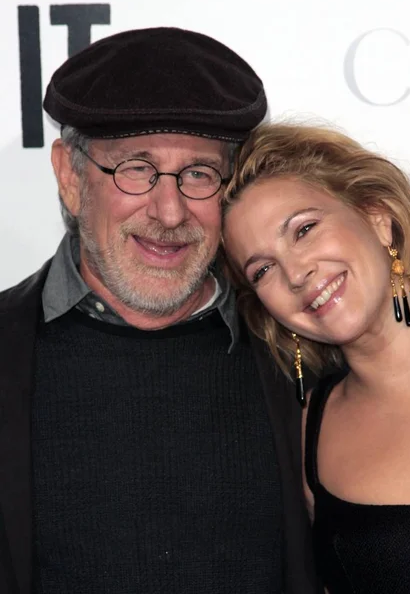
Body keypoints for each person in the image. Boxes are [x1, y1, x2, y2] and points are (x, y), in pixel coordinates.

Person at [0, 30, 319, 594]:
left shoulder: (300, 349)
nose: (170, 212)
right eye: (137, 168)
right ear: (71, 179)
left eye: (198, 173)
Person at [222, 122, 410, 593]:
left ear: (377, 217)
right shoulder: (309, 428)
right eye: (263, 269)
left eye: (304, 230)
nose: (295, 274)